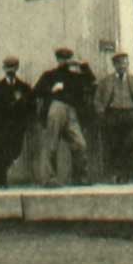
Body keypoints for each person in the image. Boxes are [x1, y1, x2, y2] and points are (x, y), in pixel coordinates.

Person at [33, 47, 96, 187]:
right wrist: (51, 89)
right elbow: (36, 91)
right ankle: (49, 179)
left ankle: (79, 178)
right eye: (62, 58)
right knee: (51, 144)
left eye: (67, 58)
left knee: (80, 144)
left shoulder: (76, 76)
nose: (65, 61)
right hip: (56, 107)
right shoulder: (49, 75)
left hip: (72, 111)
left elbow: (91, 82)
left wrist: (83, 64)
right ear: (57, 59)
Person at [94, 51, 133, 183]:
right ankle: (115, 174)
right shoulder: (106, 81)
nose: (122, 66)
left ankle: (125, 173)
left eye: (125, 63)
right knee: (114, 145)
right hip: (113, 115)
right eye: (119, 63)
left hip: (131, 115)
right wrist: (101, 113)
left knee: (129, 144)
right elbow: (98, 100)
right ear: (114, 64)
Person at [0, 56, 35, 188]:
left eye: (13, 67)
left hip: (16, 127)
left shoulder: (23, 87)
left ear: (17, 68)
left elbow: (31, 106)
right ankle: (0, 179)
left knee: (14, 151)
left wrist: (25, 117)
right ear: (4, 69)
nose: (10, 70)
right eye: (8, 67)